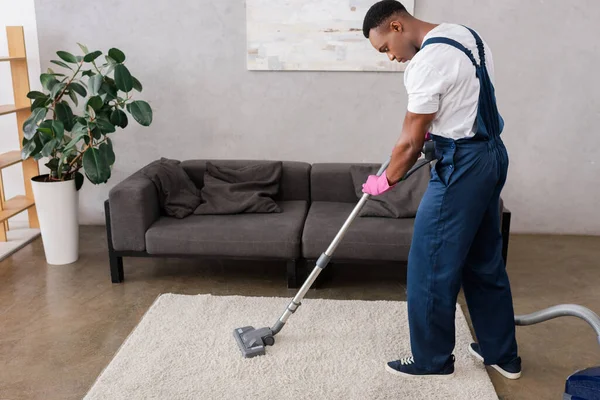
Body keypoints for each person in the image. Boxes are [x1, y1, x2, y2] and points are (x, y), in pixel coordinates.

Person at [361, 0, 522, 379]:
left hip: (462, 166)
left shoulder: (426, 64)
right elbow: (464, 100)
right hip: (492, 153)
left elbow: (408, 142)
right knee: (483, 259)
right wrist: (441, 137)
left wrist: (387, 179)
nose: (390, 58)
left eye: (385, 48)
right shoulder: (464, 34)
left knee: (429, 263)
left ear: (397, 26)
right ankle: (502, 354)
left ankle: (431, 359)